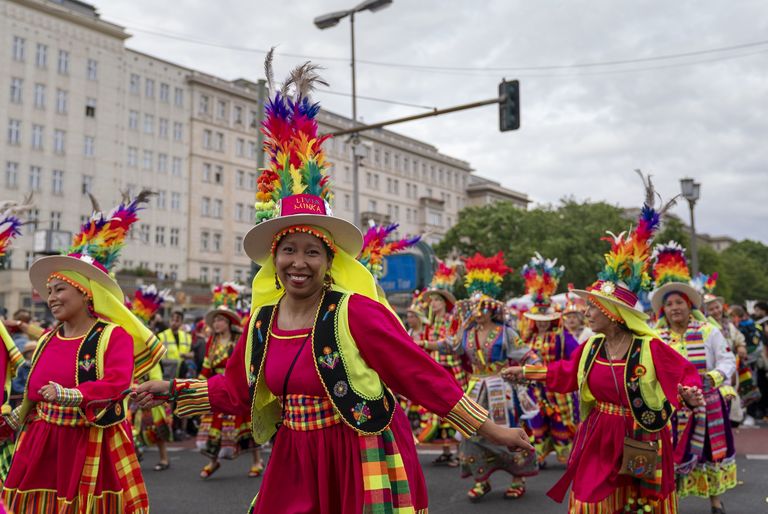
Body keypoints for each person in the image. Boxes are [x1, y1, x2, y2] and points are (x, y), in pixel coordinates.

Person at [135, 58, 532, 514]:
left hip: (361, 456)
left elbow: (419, 375)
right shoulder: (262, 322)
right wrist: (173, 389)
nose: (298, 263)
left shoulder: (355, 311)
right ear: (274, 259)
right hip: (295, 458)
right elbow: (239, 392)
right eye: (289, 251)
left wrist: (492, 430)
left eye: (312, 252)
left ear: (329, 261)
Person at [504, 174, 704, 513]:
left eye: (592, 308)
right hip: (599, 433)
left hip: (642, 436)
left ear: (613, 315)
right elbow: (565, 374)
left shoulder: (650, 348)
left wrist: (690, 393)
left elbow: (686, 376)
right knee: (588, 503)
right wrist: (525, 372)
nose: (585, 313)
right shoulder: (591, 348)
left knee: (643, 504)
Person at [1, 192, 164, 513]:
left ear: (85, 292)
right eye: (48, 291)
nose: (51, 298)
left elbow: (118, 383)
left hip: (91, 443)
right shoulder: (49, 338)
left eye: (59, 289)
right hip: (44, 444)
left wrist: (70, 395)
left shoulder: (111, 336)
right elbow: (34, 391)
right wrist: (11, 423)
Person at [443, 252, 539, 501]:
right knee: (472, 432)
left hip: (502, 389)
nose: (477, 311)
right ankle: (481, 479)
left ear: (490, 307)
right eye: (473, 306)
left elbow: (527, 353)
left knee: (508, 431)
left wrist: (530, 370)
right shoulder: (467, 333)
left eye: (481, 306)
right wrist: (419, 343)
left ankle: (518, 478)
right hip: (475, 389)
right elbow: (450, 346)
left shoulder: (504, 332)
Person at [650, 242, 736, 513]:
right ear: (663, 310)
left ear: (689, 306)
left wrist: (712, 378)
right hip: (670, 408)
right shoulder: (656, 337)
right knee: (668, 455)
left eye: (679, 303)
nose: (675, 308)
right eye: (670, 304)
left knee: (711, 453)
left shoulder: (708, 331)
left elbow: (727, 359)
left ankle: (715, 501)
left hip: (706, 403)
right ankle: (669, 503)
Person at [196, 283, 262, 479]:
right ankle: (213, 462)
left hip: (235, 386)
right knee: (212, 428)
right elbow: (206, 367)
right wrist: (196, 387)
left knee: (246, 428)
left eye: (220, 320)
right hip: (216, 387)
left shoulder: (237, 340)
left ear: (228, 323)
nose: (216, 324)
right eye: (214, 320)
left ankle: (257, 461)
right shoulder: (212, 342)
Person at [520, 252, 579, 465]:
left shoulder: (562, 336)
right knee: (536, 420)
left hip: (556, 385)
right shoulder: (529, 338)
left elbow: (576, 357)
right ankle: (539, 455)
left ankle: (566, 455)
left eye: (545, 319)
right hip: (534, 387)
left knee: (561, 421)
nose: (542, 323)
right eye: (538, 320)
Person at [417, 261, 467, 466]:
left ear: (444, 302)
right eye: (432, 301)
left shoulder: (450, 319)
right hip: (434, 370)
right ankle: (446, 450)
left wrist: (426, 344)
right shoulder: (430, 324)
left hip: (450, 370)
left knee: (454, 408)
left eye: (437, 300)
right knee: (437, 409)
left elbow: (451, 344)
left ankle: (459, 451)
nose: (433, 304)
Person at [129, 284, 175, 471]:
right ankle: (135, 455)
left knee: (157, 429)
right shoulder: (129, 345)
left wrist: (151, 388)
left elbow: (155, 372)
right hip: (134, 389)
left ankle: (164, 459)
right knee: (134, 428)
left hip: (149, 389)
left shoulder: (150, 347)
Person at [729, 304, 767, 423]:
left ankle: (750, 414)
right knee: (749, 387)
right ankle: (749, 414)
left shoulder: (743, 327)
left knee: (749, 387)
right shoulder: (754, 325)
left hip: (746, 363)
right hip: (747, 363)